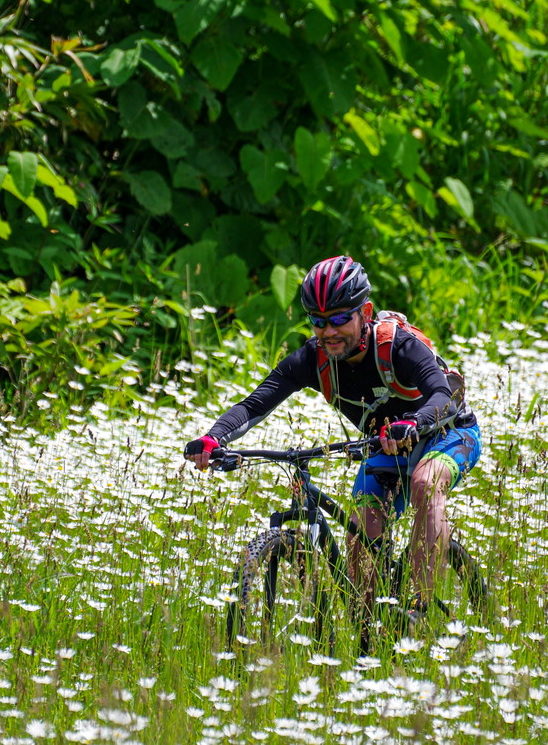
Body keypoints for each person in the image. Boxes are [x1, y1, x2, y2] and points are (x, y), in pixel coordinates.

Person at [184, 255, 480, 624]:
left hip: (447, 433)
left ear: (365, 311)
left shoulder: (397, 346)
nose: (329, 331)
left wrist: (414, 422)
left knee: (425, 484)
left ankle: (419, 609)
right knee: (361, 547)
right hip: (385, 446)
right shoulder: (313, 359)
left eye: (340, 318)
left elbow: (442, 393)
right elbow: (255, 404)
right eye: (318, 321)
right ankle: (372, 642)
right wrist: (213, 439)